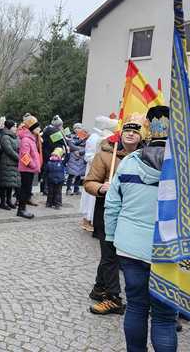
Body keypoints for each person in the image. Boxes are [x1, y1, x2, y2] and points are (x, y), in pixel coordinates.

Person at [105, 106, 178, 351]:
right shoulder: (183, 168)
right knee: (165, 317)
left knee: (136, 306)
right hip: (168, 250)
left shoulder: (129, 164)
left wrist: (111, 237)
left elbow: (112, 205)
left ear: (147, 127)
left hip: (131, 249)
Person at [84, 116, 143, 315]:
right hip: (106, 208)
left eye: (135, 131)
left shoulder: (145, 156)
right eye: (127, 130)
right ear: (121, 133)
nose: (130, 134)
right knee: (110, 253)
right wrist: (101, 188)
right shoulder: (106, 154)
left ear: (141, 135)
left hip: (131, 211)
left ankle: (99, 287)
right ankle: (113, 296)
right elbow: (89, 182)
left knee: (113, 254)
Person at [80, 116, 118, 232]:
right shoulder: (95, 137)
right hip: (94, 170)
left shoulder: (103, 135)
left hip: (100, 170)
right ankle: (87, 219)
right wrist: (100, 161)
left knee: (95, 198)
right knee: (90, 197)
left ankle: (91, 219)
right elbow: (89, 156)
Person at [17, 113, 42, 219]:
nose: (39, 128)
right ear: (32, 127)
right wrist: (33, 165)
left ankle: (23, 208)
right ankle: (21, 210)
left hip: (30, 170)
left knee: (27, 190)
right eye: (37, 126)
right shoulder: (26, 140)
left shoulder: (32, 138)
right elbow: (24, 156)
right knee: (25, 190)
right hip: (26, 169)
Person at [41, 115, 68, 194]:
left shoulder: (49, 129)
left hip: (47, 152)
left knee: (46, 171)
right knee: (48, 171)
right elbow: (60, 142)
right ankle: (46, 189)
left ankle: (44, 188)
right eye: (60, 125)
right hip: (50, 153)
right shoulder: (53, 130)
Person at [0, 120, 20, 210]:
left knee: (10, 184)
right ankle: (2, 202)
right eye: (14, 126)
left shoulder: (15, 137)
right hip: (6, 163)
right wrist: (19, 158)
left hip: (13, 163)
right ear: (10, 127)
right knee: (4, 184)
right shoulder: (5, 137)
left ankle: (9, 201)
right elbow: (9, 150)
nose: (16, 128)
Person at [66, 123, 88, 195]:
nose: (77, 129)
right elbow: (70, 145)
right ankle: (68, 189)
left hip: (81, 157)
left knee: (79, 174)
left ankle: (76, 189)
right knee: (71, 174)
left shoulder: (84, 137)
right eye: (75, 128)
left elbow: (87, 146)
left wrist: (80, 151)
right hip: (73, 157)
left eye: (78, 128)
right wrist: (77, 150)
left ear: (81, 129)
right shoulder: (71, 136)